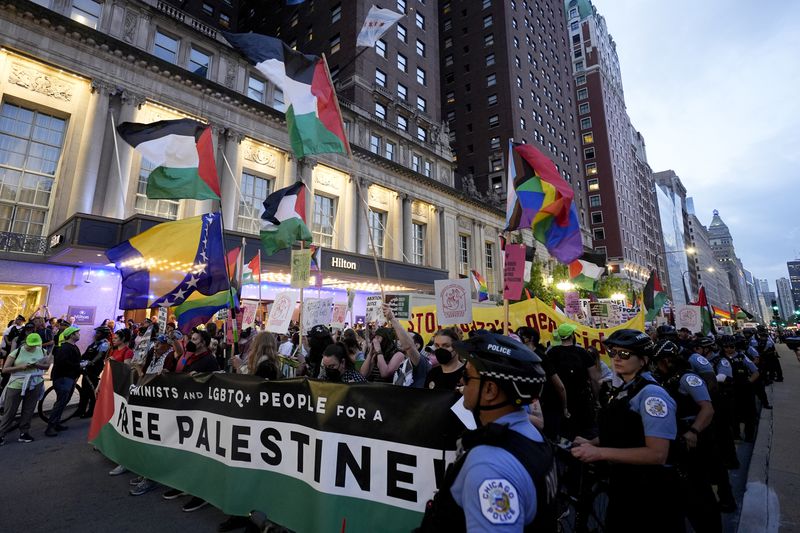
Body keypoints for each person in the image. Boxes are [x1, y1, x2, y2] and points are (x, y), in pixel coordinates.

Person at [417, 332, 554, 532]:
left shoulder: (489, 465)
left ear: (490, 390)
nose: (462, 383)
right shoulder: (531, 437)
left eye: (467, 376)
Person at [571, 329, 684, 533]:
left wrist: (599, 452)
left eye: (624, 354)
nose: (616, 358)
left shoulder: (651, 395)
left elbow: (657, 454)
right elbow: (624, 432)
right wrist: (592, 443)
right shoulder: (625, 388)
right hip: (624, 483)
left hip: (649, 492)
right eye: (613, 352)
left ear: (643, 360)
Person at [650, 339, 721, 530]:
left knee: (700, 490)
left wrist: (694, 431)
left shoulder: (688, 378)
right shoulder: (663, 379)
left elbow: (707, 409)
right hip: (677, 440)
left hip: (695, 439)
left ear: (666, 361)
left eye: (657, 362)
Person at [545, 323, 600, 440]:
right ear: (573, 335)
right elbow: (594, 379)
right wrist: (596, 399)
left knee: (563, 435)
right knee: (585, 434)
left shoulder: (551, 353)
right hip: (582, 401)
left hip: (557, 401)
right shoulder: (583, 353)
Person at [0, 333, 51, 445]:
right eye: (30, 345)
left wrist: (37, 365)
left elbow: (47, 366)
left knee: (29, 410)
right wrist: (21, 367)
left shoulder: (42, 351)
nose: (33, 347)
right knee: (10, 411)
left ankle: (24, 433)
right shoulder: (16, 352)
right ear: (26, 342)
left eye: (35, 345)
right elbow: (5, 369)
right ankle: (1, 433)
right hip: (16, 384)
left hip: (35, 383)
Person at [45, 327, 82, 437]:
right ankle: (50, 427)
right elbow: (62, 363)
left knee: (63, 402)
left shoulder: (73, 347)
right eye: (77, 333)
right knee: (60, 402)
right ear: (71, 335)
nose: (79, 334)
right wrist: (78, 366)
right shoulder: (65, 348)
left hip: (69, 378)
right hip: (63, 378)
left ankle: (56, 423)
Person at [79, 325, 111, 418]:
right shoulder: (94, 343)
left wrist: (92, 362)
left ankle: (91, 411)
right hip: (87, 367)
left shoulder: (105, 343)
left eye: (98, 333)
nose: (96, 334)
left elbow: (100, 355)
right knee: (84, 389)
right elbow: (86, 354)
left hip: (95, 368)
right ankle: (81, 409)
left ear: (104, 334)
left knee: (91, 390)